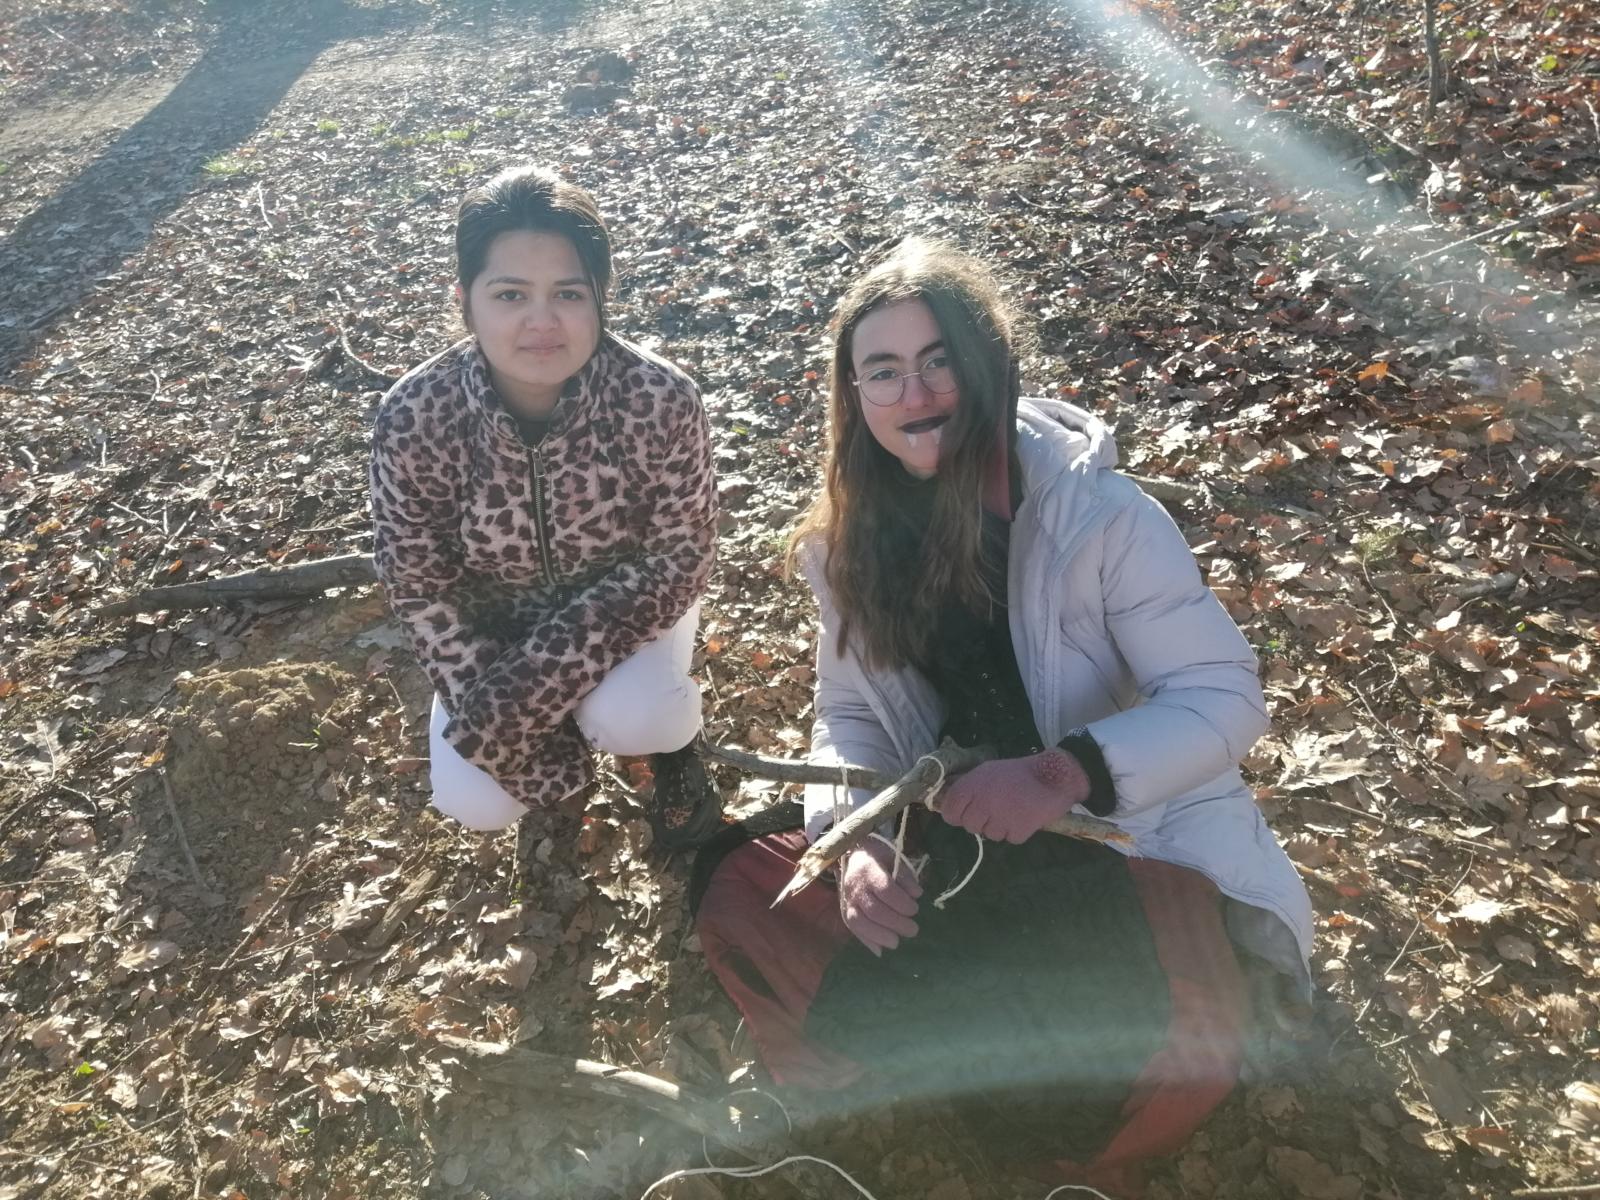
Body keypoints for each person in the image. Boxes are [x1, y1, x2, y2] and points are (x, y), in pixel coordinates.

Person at [692, 239, 1314, 1193]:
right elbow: (849, 711)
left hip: (1123, 842)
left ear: (989, 364)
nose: (915, 393)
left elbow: (1224, 696)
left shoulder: (1098, 516)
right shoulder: (851, 542)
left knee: (1123, 1076)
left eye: (939, 359)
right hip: (955, 840)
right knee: (740, 886)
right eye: (883, 371)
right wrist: (854, 844)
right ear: (854, 396)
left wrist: (1061, 773)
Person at [369, 165, 723, 850]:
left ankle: (677, 753)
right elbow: (418, 587)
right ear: (466, 301)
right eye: (510, 294)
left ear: (600, 299)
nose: (542, 321)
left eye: (568, 292)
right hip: (489, 636)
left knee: (640, 716)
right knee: (474, 800)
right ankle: (562, 767)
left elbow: (680, 559)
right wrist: (505, 708)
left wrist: (531, 692)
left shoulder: (660, 398)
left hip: (630, 614)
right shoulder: (415, 414)